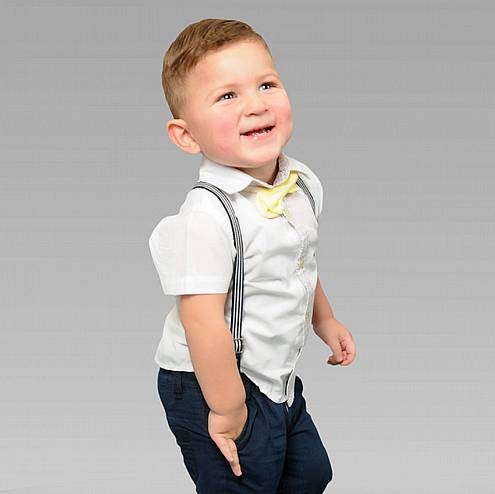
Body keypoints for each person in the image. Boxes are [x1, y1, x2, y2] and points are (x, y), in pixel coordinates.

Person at [148, 18, 356, 493]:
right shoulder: (207, 216)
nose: (256, 104)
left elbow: (300, 260)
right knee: (247, 483)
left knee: (309, 472)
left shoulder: (300, 184)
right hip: (210, 379)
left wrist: (325, 319)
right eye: (227, 96)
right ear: (186, 136)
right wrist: (227, 409)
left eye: (266, 85)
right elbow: (202, 320)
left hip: (272, 376)